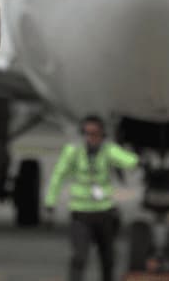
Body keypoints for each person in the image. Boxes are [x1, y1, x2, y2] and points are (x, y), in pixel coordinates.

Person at [44, 115, 139, 281]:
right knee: (79, 257)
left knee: (108, 259)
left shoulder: (108, 150)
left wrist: (127, 147)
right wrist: (50, 202)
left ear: (102, 135)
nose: (91, 138)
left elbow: (130, 162)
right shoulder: (73, 151)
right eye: (87, 134)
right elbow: (58, 176)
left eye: (95, 134)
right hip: (81, 213)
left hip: (104, 213)